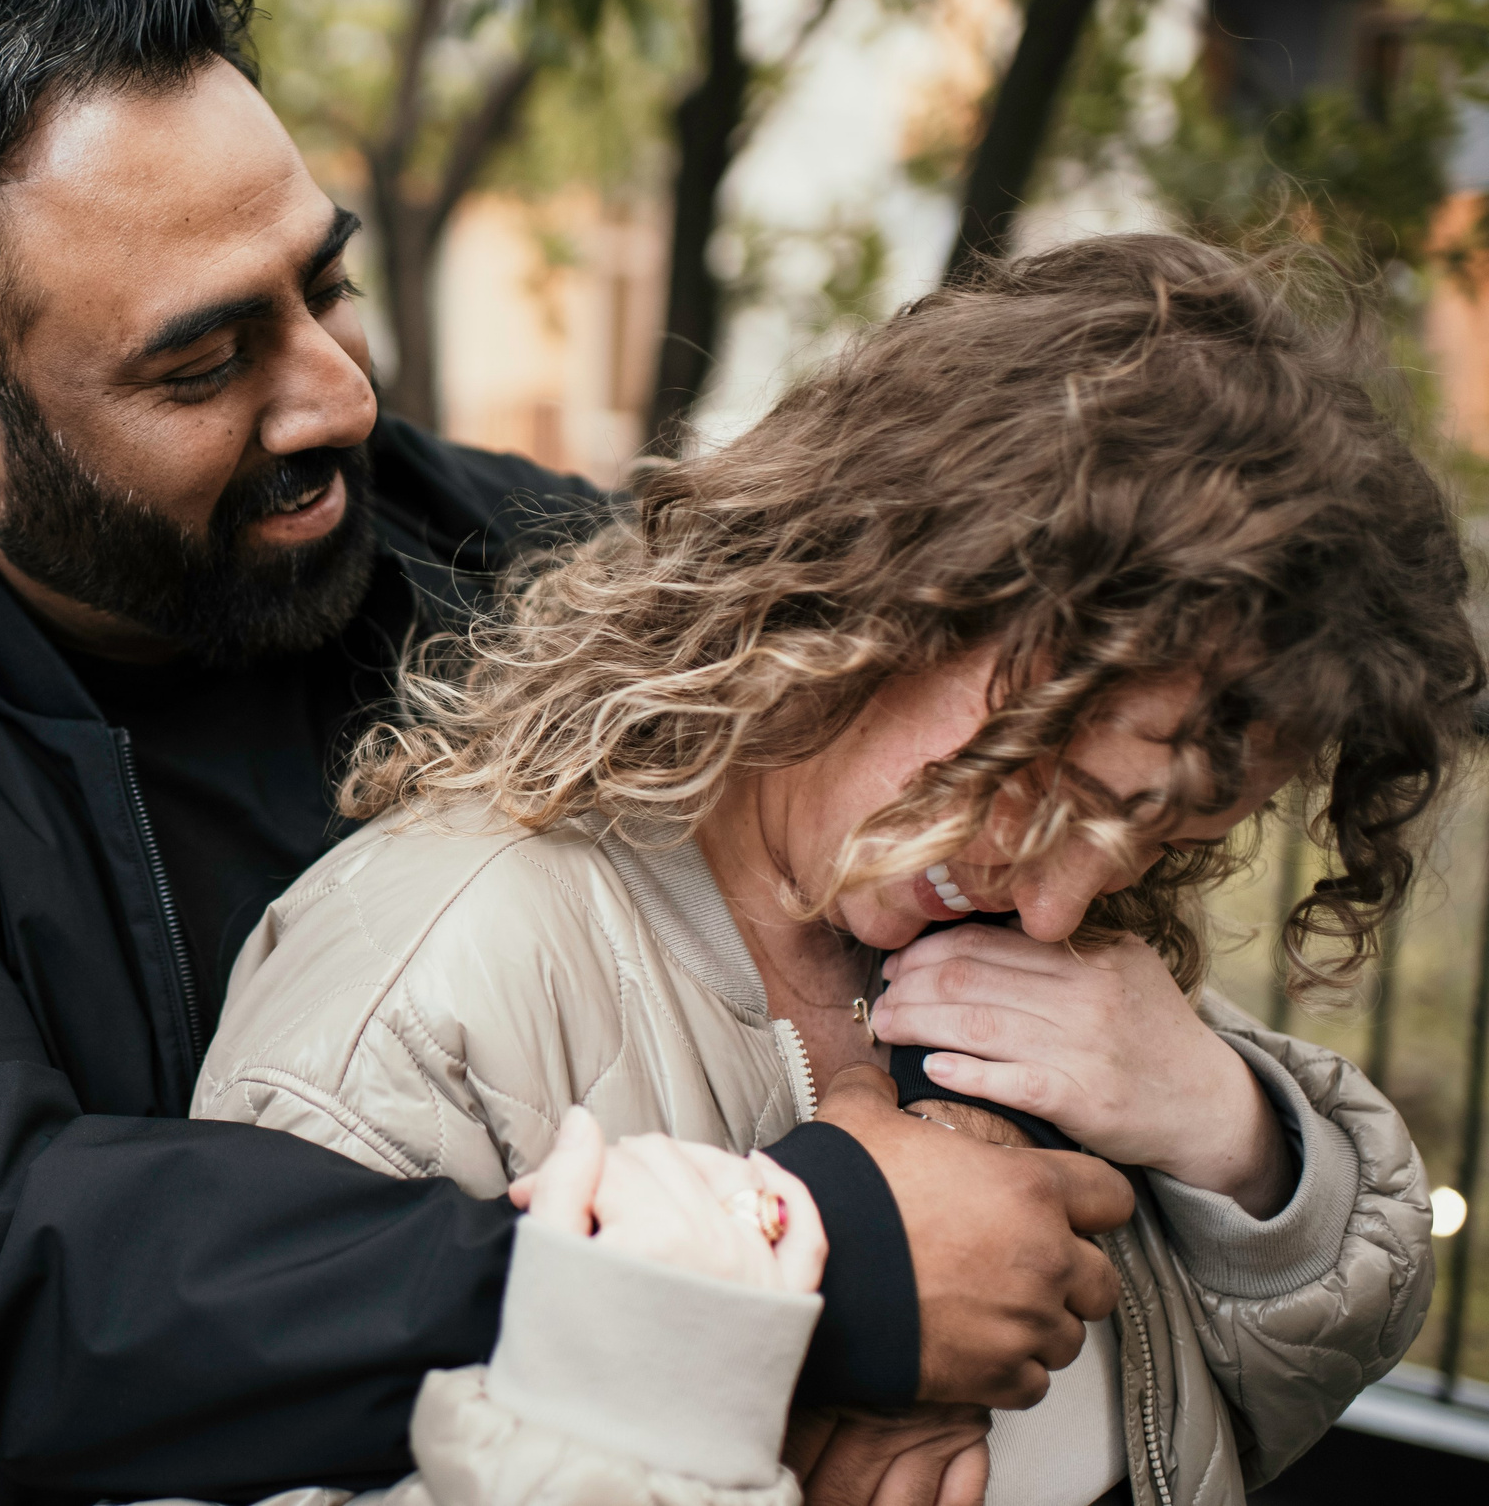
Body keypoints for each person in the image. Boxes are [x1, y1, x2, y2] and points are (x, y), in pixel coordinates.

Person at [0, 0, 1138, 1506]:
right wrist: (788, 1272)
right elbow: (25, 1283)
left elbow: (871, 803)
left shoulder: (520, 558)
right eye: (203, 362)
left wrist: (966, 1152)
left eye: (325, 288)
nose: (339, 396)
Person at [193, 234, 1470, 1505]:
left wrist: (1229, 1136)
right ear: (883, 584)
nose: (1060, 903)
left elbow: (1261, 1383)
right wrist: (773, 1422)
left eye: (1154, 838)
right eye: (1050, 788)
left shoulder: (1023, 940)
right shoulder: (427, 990)